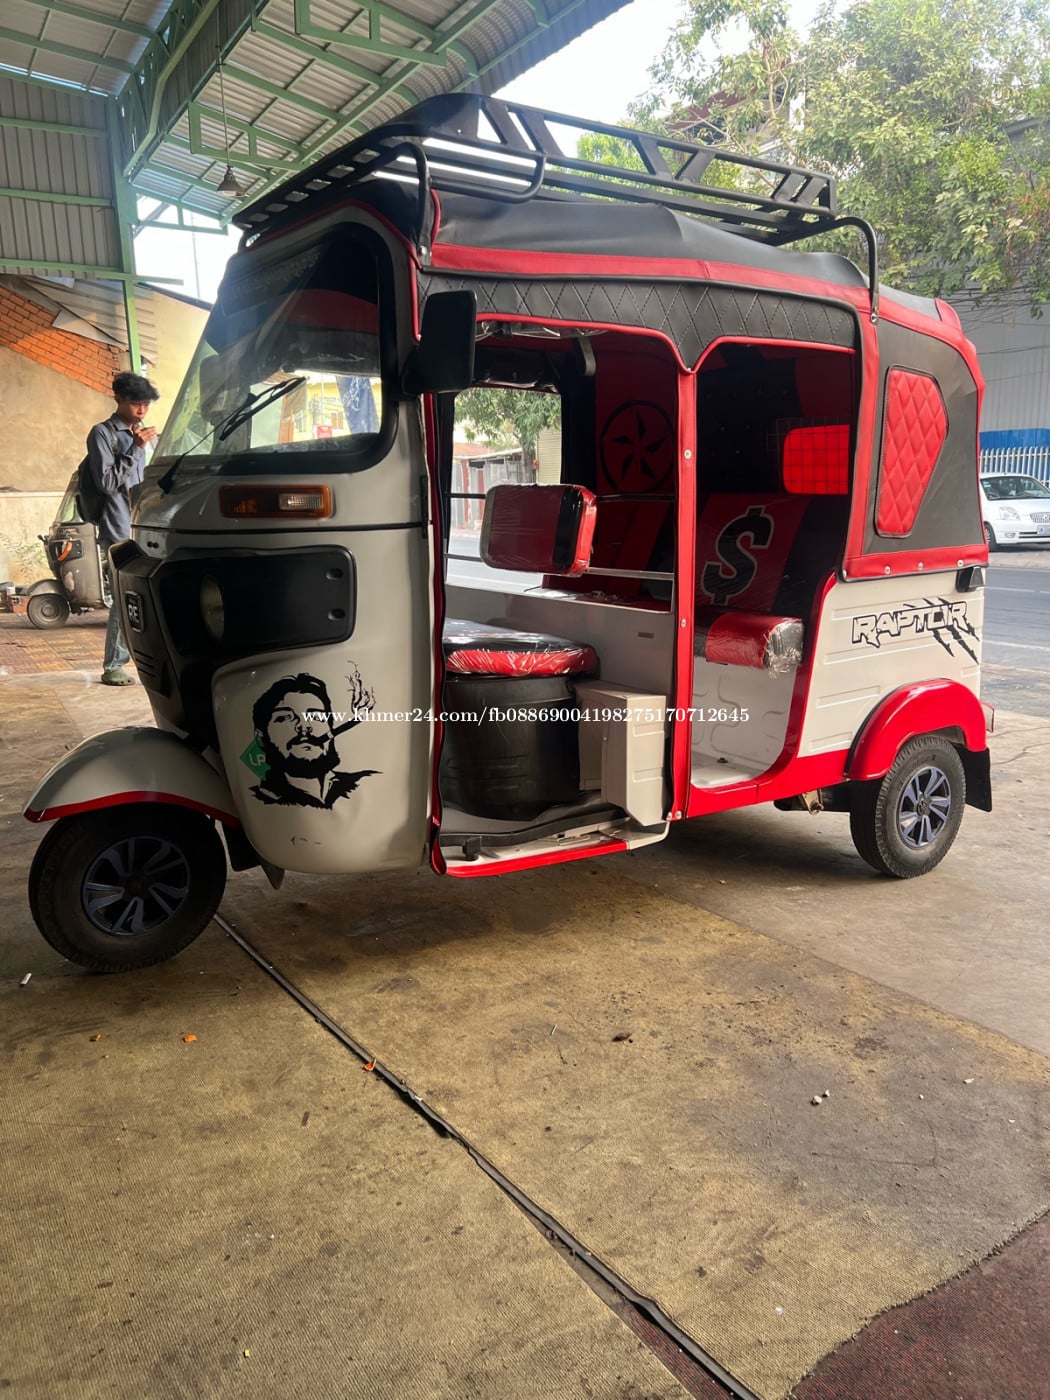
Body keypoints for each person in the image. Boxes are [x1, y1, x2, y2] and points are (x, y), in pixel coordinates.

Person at [83, 371, 160, 686]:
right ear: (118, 399)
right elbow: (107, 482)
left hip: (148, 525)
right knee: (124, 597)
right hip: (118, 528)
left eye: (146, 404)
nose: (142, 410)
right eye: (135, 403)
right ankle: (113, 665)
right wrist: (136, 449)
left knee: (150, 595)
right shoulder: (102, 433)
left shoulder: (144, 434)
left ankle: (149, 659)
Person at [249, 670, 377, 808]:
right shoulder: (258, 799)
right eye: (285, 717)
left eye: (316, 717)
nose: (305, 726)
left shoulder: (366, 782)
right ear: (261, 738)